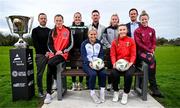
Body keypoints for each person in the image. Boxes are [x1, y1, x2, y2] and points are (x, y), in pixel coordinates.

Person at [44, 14, 73, 104]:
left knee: (50, 64)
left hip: (63, 55)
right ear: (54, 21)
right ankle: (48, 93)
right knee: (49, 69)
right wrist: (54, 51)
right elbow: (49, 44)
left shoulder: (68, 30)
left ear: (63, 21)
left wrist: (63, 51)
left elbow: (71, 43)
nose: (58, 22)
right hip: (54, 54)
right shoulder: (52, 31)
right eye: (57, 20)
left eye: (60, 20)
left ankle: (55, 82)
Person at [134, 10, 164, 98]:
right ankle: (153, 87)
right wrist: (150, 51)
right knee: (152, 60)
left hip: (150, 53)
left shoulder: (152, 30)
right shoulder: (137, 31)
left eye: (145, 19)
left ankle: (152, 85)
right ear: (140, 20)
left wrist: (152, 50)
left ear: (148, 19)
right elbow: (139, 44)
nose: (144, 21)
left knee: (153, 61)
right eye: (142, 19)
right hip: (141, 53)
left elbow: (154, 42)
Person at [110, 24, 136, 104]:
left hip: (129, 64)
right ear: (118, 31)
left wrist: (131, 63)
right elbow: (113, 54)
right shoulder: (115, 41)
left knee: (128, 75)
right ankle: (116, 92)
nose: (122, 31)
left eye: (124, 29)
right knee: (114, 73)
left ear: (126, 30)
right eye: (120, 30)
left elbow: (133, 54)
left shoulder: (131, 40)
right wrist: (114, 63)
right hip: (118, 64)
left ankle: (125, 93)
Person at [81, 27, 106, 104]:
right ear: (88, 35)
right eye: (91, 34)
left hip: (97, 63)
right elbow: (83, 55)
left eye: (94, 34)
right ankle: (92, 93)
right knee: (93, 74)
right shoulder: (84, 43)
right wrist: (89, 63)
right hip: (87, 64)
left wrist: (100, 61)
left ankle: (102, 92)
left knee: (103, 73)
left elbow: (101, 55)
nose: (93, 36)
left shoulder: (99, 43)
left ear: (97, 34)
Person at [31, 13, 50, 98]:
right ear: (38, 20)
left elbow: (51, 43)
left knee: (51, 73)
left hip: (50, 55)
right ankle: (40, 91)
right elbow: (36, 44)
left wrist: (49, 52)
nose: (43, 20)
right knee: (40, 74)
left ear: (46, 19)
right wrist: (44, 52)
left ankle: (50, 89)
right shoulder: (35, 30)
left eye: (44, 18)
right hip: (40, 55)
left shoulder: (50, 30)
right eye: (41, 18)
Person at [87, 9, 105, 89]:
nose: (95, 16)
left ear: (99, 16)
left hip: (98, 49)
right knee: (91, 69)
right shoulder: (88, 27)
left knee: (101, 70)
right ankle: (89, 85)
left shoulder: (103, 27)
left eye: (97, 15)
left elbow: (103, 38)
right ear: (91, 17)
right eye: (94, 15)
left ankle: (101, 87)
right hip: (90, 49)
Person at [69, 12, 88, 91]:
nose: (77, 19)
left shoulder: (85, 27)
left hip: (81, 51)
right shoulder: (69, 28)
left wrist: (82, 50)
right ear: (73, 18)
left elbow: (86, 40)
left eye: (79, 17)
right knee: (73, 67)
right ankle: (74, 83)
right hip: (72, 51)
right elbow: (69, 40)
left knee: (81, 67)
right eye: (76, 17)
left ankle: (80, 83)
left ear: (81, 18)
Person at [101, 14, 120, 91]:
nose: (114, 20)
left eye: (116, 19)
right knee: (109, 68)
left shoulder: (120, 28)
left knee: (117, 68)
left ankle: (117, 84)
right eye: (113, 19)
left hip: (119, 51)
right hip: (109, 51)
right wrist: (109, 46)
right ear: (111, 20)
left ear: (118, 20)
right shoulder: (107, 29)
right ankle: (109, 84)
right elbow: (104, 38)